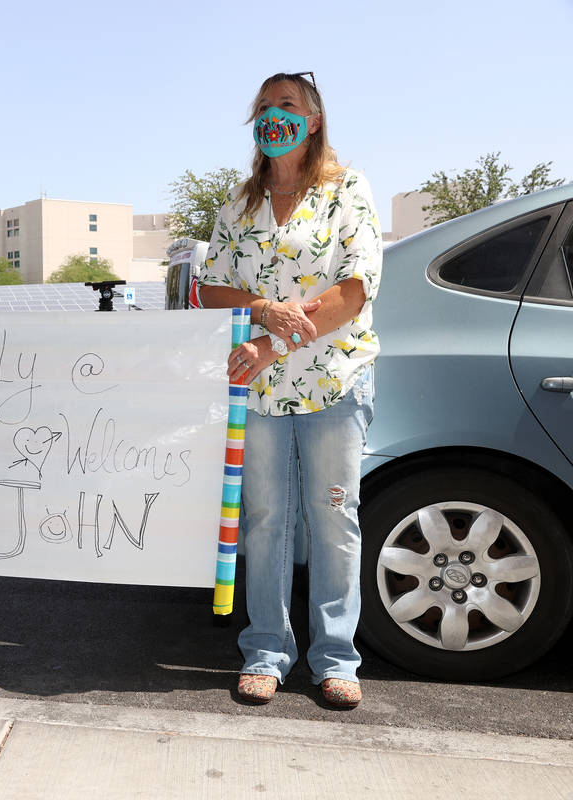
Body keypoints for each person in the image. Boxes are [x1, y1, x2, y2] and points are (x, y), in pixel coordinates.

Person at [198, 72, 381, 708]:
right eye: (264, 107)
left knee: (333, 518)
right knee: (266, 521)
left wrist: (272, 339)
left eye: (287, 105)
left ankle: (336, 659)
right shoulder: (236, 208)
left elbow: (353, 293)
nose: (274, 116)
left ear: (314, 120)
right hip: (259, 396)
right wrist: (262, 306)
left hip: (335, 384)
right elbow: (210, 290)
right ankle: (267, 651)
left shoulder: (347, 192)